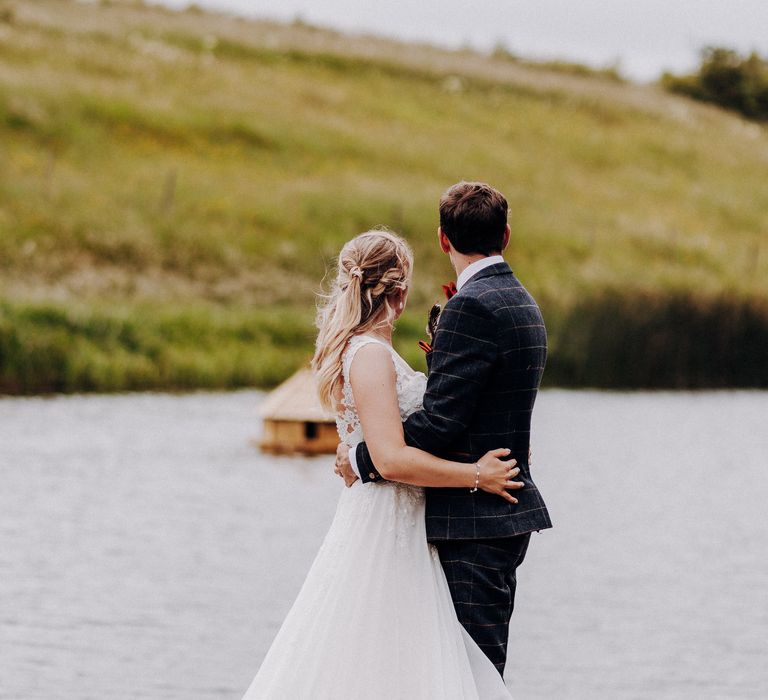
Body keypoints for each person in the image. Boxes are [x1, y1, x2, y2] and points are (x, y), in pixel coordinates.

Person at [241, 227, 523, 699]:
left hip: (402, 521)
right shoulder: (370, 355)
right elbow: (391, 460)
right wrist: (477, 476)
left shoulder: (368, 350)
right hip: (385, 525)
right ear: (401, 288)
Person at [335, 181, 552, 675]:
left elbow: (439, 423)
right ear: (507, 236)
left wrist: (363, 457)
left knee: (466, 674)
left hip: (472, 522)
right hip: (496, 517)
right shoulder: (523, 303)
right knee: (468, 672)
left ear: (442, 239)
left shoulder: (471, 308)